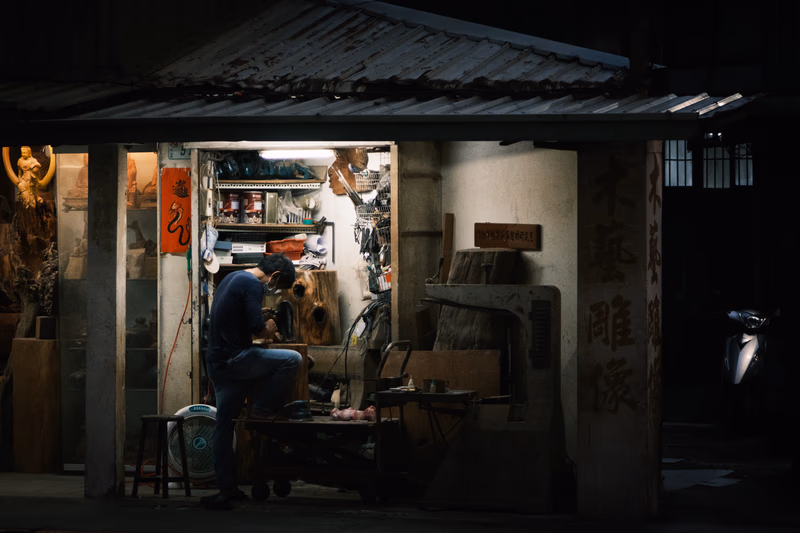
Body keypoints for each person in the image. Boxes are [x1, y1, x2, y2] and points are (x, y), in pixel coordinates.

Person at [201, 254, 302, 510]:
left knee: (224, 427)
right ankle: (263, 408)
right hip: (235, 359)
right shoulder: (253, 285)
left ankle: (227, 489)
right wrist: (269, 326)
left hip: (217, 364)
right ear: (275, 275)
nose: (273, 291)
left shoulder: (231, 279)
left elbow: (235, 321)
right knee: (293, 359)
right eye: (276, 286)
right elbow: (258, 330)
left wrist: (257, 317)